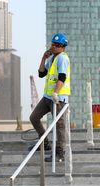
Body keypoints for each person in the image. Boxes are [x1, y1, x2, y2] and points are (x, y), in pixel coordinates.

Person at [29, 32, 70, 162]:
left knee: (59, 125)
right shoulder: (52, 59)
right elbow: (41, 74)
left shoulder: (63, 58)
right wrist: (43, 58)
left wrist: (56, 93)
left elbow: (62, 77)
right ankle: (44, 143)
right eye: (53, 44)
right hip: (47, 97)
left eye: (57, 45)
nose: (54, 47)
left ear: (63, 47)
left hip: (58, 98)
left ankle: (60, 153)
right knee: (34, 117)